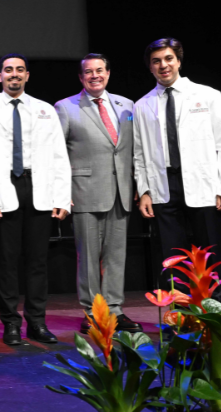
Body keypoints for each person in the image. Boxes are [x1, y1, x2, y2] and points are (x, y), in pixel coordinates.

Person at [0, 53, 71, 346]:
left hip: (39, 189)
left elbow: (59, 156)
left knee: (38, 262)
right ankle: (10, 323)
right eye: (8, 70)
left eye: (20, 70)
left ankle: (37, 323)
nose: (14, 74)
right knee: (7, 262)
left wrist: (62, 196)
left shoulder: (44, 110)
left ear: (27, 75)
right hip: (4, 191)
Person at [133, 38, 221, 301]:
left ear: (178, 61)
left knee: (211, 256)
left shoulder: (207, 95)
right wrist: (144, 190)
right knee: (172, 259)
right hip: (164, 185)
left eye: (168, 59)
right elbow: (139, 154)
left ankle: (217, 321)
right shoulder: (142, 105)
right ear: (150, 67)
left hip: (204, 185)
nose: (163, 65)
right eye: (156, 61)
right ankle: (180, 322)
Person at [55, 54, 142, 334]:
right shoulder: (65, 107)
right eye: (88, 72)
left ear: (108, 73)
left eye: (100, 70)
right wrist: (61, 193)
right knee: (89, 257)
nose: (95, 75)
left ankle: (114, 310)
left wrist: (139, 187)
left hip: (120, 192)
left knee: (116, 256)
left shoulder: (126, 105)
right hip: (84, 192)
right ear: (81, 77)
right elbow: (57, 155)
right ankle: (93, 311)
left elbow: (132, 150)